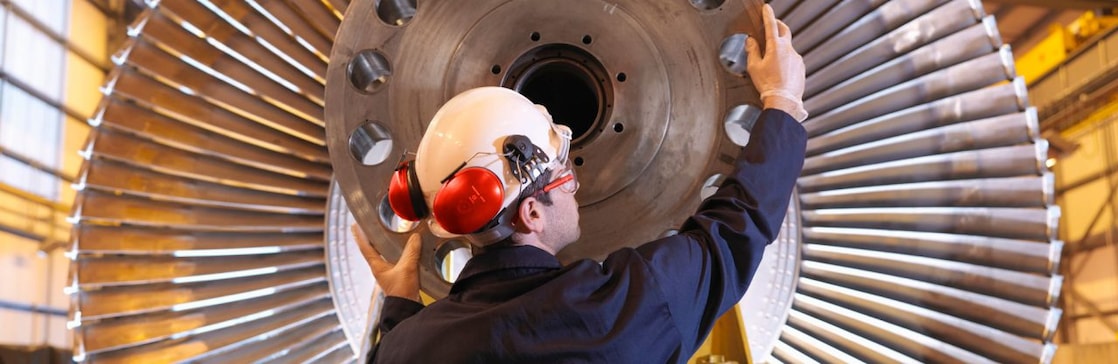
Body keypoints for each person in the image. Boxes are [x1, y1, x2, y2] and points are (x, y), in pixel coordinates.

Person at [353, 4, 808, 362]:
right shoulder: (620, 313)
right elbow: (733, 234)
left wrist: (399, 310)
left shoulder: (405, 349)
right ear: (530, 213)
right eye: (562, 175)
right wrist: (781, 100)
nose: (574, 183)